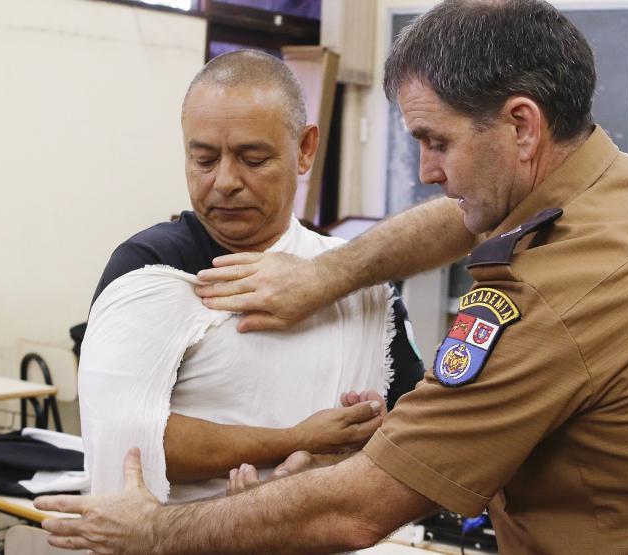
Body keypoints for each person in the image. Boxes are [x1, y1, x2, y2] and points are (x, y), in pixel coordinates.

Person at [36, 1, 628, 553]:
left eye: (435, 140)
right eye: (204, 156)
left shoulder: (547, 296)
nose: (424, 171)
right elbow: (466, 214)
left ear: (522, 126)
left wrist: (156, 532)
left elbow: (357, 509)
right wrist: (326, 274)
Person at [77, 49, 424, 503]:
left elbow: (411, 434)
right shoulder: (148, 268)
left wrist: (338, 458)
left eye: (253, 159)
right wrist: (297, 438)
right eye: (203, 160)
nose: (224, 181)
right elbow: (122, 439)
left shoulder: (357, 284)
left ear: (304, 149)